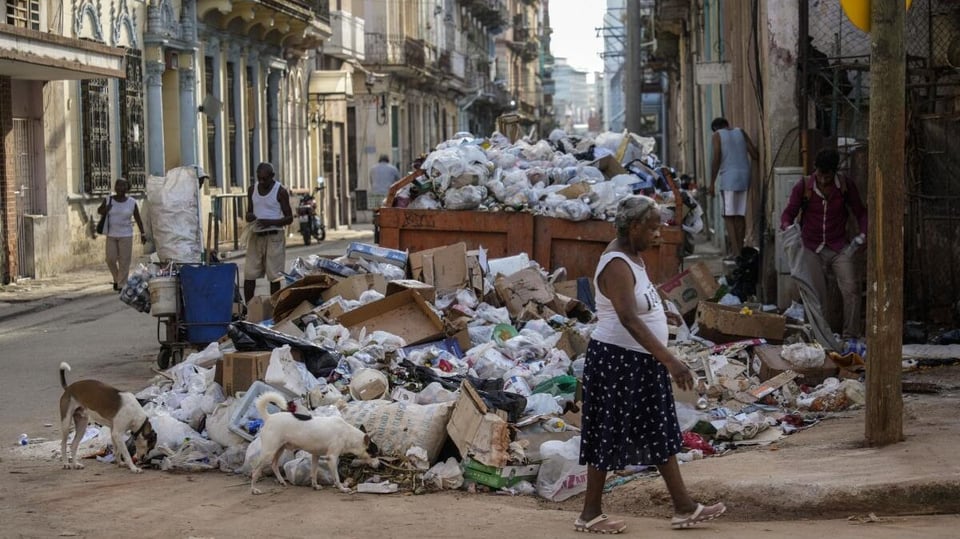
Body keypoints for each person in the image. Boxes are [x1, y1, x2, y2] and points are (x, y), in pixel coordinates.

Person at [575, 195, 726, 534]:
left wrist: (660, 316)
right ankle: (589, 514)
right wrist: (671, 360)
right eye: (654, 228)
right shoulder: (616, 263)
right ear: (634, 227)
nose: (659, 234)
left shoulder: (634, 257)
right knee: (607, 432)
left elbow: (640, 306)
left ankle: (684, 507)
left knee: (660, 430)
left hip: (640, 361)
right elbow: (628, 318)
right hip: (617, 361)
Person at [780, 148, 867, 339]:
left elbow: (861, 212)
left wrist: (862, 234)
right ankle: (821, 337)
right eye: (820, 174)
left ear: (834, 172)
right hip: (811, 247)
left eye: (827, 176)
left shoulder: (845, 186)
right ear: (816, 169)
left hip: (838, 246)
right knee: (816, 295)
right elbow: (788, 214)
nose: (823, 179)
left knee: (852, 288)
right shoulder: (803, 186)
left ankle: (851, 336)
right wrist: (788, 228)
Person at [708, 117, 759, 260]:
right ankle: (740, 250)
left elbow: (716, 158)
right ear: (727, 124)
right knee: (740, 215)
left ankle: (735, 253)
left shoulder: (717, 135)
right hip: (744, 177)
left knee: (728, 216)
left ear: (715, 129)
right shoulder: (740, 132)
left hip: (728, 178)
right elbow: (754, 154)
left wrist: (712, 183)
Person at [243, 162, 293, 303]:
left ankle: (274, 307)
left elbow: (289, 218)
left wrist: (270, 222)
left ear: (272, 176)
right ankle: (250, 308)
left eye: (265, 179)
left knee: (274, 276)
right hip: (256, 235)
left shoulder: (280, 191)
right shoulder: (252, 190)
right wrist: (249, 217)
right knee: (249, 274)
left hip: (274, 236)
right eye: (259, 178)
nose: (262, 181)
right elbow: (249, 212)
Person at [97, 178, 146, 291]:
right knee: (110, 259)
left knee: (124, 261)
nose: (120, 188)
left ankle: (121, 284)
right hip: (111, 234)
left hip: (126, 235)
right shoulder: (109, 199)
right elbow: (99, 211)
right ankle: (117, 278)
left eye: (123, 186)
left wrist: (142, 233)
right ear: (115, 187)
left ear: (127, 188)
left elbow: (138, 219)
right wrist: (106, 209)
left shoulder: (132, 202)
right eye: (118, 185)